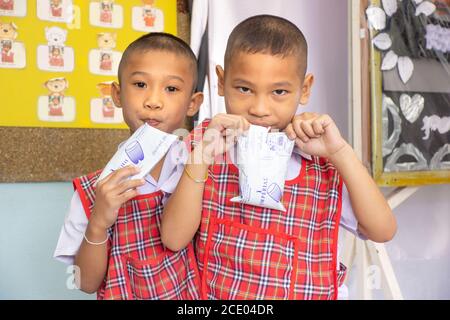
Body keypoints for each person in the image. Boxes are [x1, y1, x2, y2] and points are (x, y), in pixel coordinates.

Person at [160, 15, 397, 300]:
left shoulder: (324, 164)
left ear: (305, 88)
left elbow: (382, 230)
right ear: (221, 82)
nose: (260, 108)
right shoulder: (202, 146)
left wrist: (340, 153)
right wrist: (202, 157)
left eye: (279, 92)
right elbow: (173, 239)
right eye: (244, 89)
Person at [53, 32, 204, 300]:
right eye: (140, 84)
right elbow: (83, 283)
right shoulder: (91, 191)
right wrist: (98, 222)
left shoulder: (207, 169)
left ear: (193, 103)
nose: (153, 101)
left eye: (171, 88)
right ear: (117, 94)